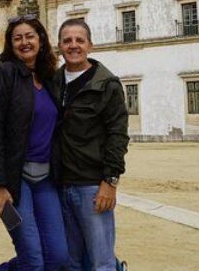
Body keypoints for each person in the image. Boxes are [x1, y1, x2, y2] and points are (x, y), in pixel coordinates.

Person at [0, 15, 69, 271]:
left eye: (29, 36)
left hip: (45, 180)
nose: (24, 42)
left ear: (41, 40)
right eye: (17, 38)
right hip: (13, 181)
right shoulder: (6, 73)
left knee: (58, 257)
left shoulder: (51, 78)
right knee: (32, 258)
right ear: (10, 44)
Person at [56, 18, 129, 271]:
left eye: (79, 40)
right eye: (67, 40)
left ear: (90, 45)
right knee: (70, 262)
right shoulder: (53, 82)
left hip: (91, 186)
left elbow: (117, 136)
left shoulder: (107, 84)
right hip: (59, 185)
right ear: (59, 46)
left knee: (102, 262)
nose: (73, 45)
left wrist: (110, 182)